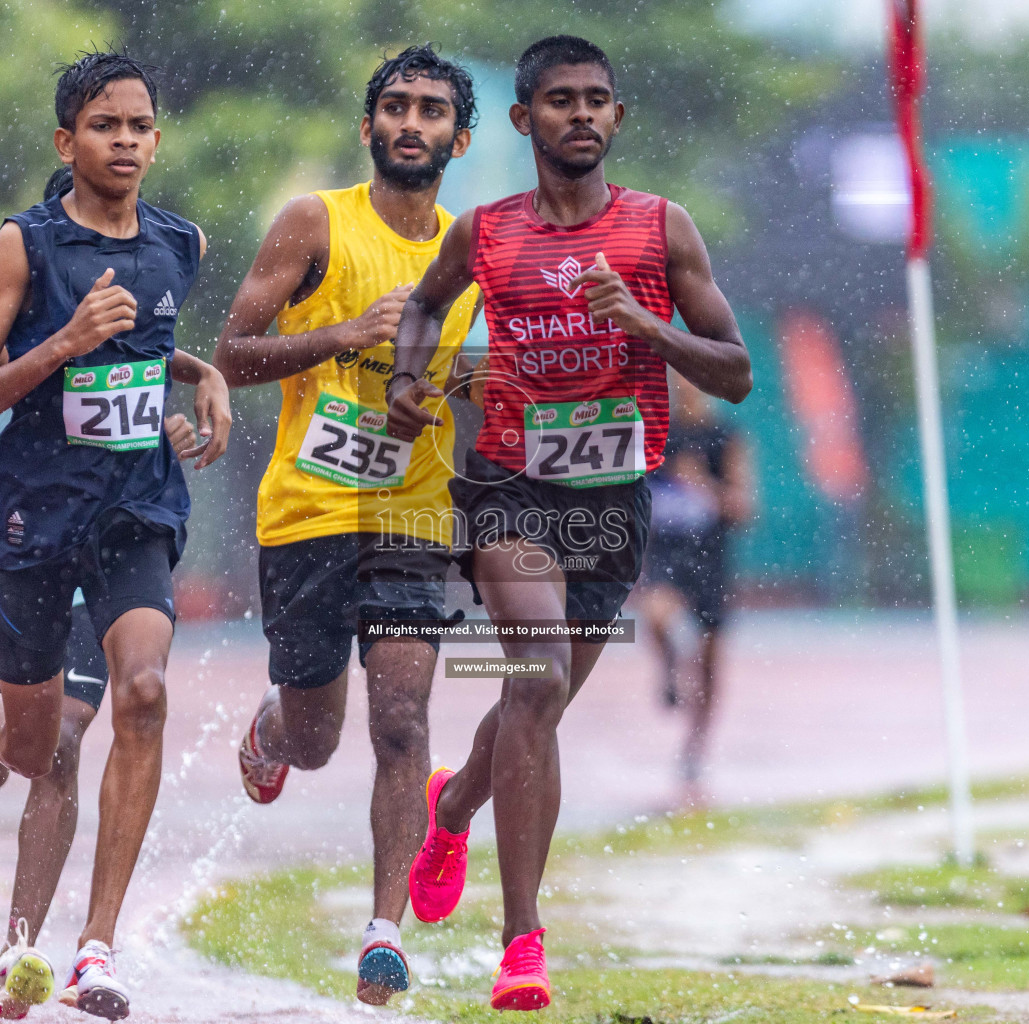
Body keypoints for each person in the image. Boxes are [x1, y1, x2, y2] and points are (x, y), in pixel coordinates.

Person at [385, 35, 751, 1010]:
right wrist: (408, 386)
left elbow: (736, 370)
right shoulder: (487, 232)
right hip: (509, 486)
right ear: (523, 120)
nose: (580, 114)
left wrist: (648, 327)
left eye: (596, 100)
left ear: (616, 118)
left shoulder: (660, 231)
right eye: (559, 100)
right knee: (536, 672)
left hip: (612, 501)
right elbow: (424, 310)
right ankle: (523, 942)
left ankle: (455, 803)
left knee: (534, 706)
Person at [0, 51, 231, 1021]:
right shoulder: (21, 248)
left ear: (157, 139)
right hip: (30, 528)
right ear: (65, 141)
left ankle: (85, 950)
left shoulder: (181, 245)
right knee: (32, 756)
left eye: (138, 126)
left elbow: (148, 346)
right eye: (103, 125)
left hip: (132, 518)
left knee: (145, 694)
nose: (124, 140)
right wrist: (65, 343)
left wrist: (203, 377)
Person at [210, 45, 480, 1006]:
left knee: (403, 717)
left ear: (461, 135)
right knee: (320, 737)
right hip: (309, 510)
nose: (413, 123)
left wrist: (451, 389)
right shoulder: (314, 223)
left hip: (414, 510)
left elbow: (467, 378)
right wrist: (345, 334)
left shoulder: (474, 252)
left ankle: (383, 933)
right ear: (368, 128)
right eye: (396, 108)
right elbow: (232, 354)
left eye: (433, 110)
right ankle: (274, 726)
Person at [635, 370, 756, 804]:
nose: (683, 388)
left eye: (692, 381)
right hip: (666, 555)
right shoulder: (652, 434)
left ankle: (694, 751)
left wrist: (702, 483)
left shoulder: (725, 437)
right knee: (655, 614)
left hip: (711, 557)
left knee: (709, 666)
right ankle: (668, 668)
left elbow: (744, 508)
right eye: (675, 380)